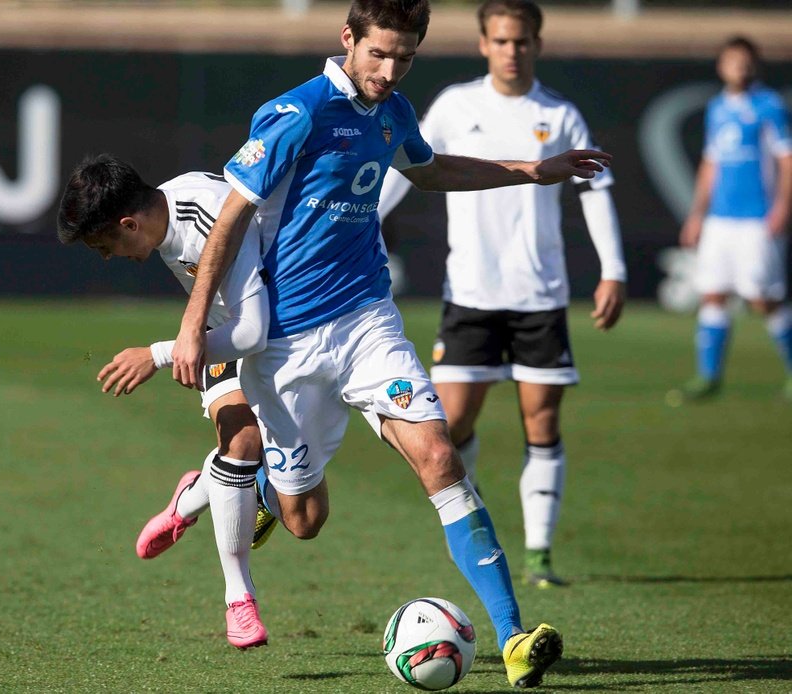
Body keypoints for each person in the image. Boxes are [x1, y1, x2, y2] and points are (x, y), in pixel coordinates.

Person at [170, 1, 611, 687]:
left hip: (368, 323)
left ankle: (516, 638)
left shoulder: (395, 111)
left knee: (440, 455)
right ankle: (251, 484)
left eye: (404, 57)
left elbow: (431, 172)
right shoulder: (296, 114)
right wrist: (194, 326)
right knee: (304, 519)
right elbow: (230, 220)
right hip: (287, 348)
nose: (389, 69)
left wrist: (532, 170)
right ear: (347, 39)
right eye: (378, 54)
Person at [378, 0, 627, 589]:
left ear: (535, 44)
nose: (512, 50)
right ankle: (479, 516)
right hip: (471, 295)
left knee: (541, 421)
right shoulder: (455, 107)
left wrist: (613, 268)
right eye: (501, 40)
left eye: (521, 41)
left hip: (540, 296)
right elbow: (405, 170)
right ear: (484, 44)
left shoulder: (559, 114)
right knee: (450, 427)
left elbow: (595, 188)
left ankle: (539, 555)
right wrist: (356, 222)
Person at [55, 154, 271, 649]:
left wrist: (157, 354)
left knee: (303, 516)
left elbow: (255, 330)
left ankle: (194, 495)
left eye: (103, 244)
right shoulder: (167, 210)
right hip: (225, 337)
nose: (108, 257)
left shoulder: (206, 217)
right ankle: (239, 598)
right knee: (242, 439)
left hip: (272, 336)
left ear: (128, 223)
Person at [670, 35, 792, 403]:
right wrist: (696, 215)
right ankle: (709, 378)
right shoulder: (717, 108)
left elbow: (786, 160)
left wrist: (783, 207)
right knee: (713, 293)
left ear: (755, 64)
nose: (739, 67)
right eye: (732, 60)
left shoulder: (769, 106)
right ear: (721, 66)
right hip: (720, 220)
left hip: (757, 218)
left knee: (762, 298)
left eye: (746, 60)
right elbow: (711, 165)